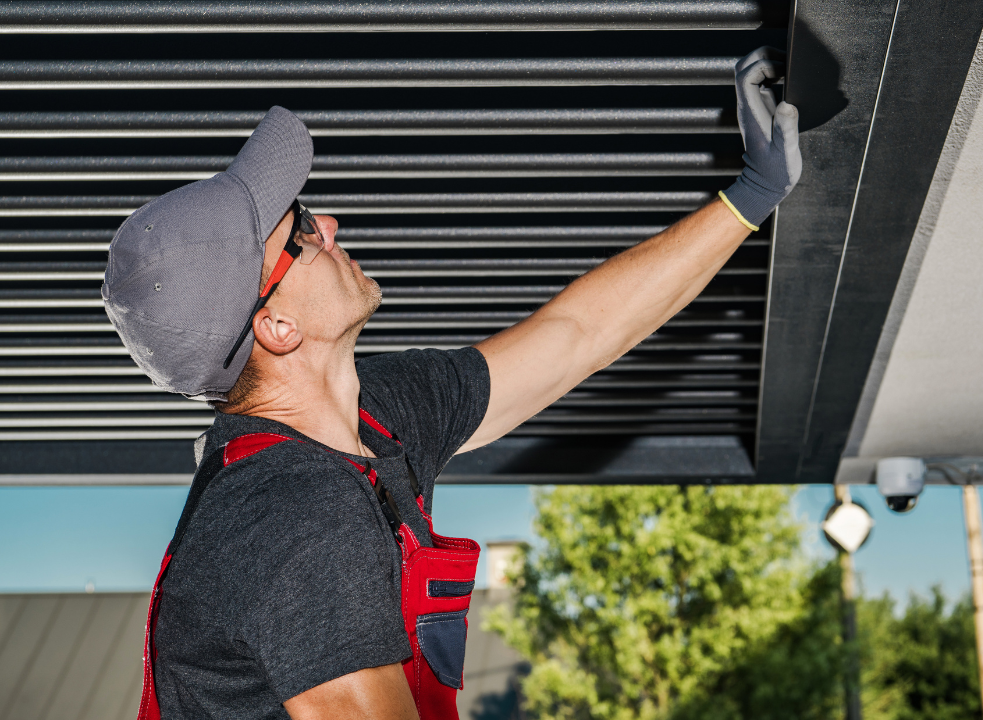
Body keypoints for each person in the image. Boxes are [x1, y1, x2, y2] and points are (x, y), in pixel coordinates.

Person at [104, 47, 800, 720]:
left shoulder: (373, 414)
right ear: (278, 327)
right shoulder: (293, 518)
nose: (330, 227)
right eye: (304, 233)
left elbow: (576, 337)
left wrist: (749, 198)